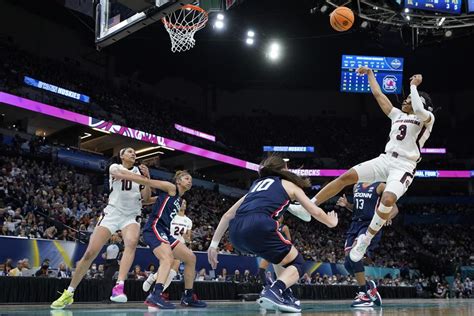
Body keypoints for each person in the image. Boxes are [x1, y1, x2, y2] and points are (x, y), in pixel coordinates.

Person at [290, 69, 435, 263]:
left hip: (404, 166)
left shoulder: (427, 119)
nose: (406, 100)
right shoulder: (397, 115)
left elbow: (418, 108)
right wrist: (370, 75)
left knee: (389, 197)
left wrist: (413, 87)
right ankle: (308, 206)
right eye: (408, 97)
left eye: (410, 98)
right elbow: (378, 95)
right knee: (346, 177)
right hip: (385, 159)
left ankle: (365, 240)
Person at [207, 156, 338, 313]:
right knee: (298, 263)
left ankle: (285, 294)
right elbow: (314, 211)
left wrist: (213, 246)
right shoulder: (288, 184)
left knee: (276, 256)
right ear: (283, 170)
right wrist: (331, 222)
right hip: (259, 225)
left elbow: (228, 215)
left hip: (236, 234)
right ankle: (275, 290)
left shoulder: (255, 187)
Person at [51, 148, 151, 309]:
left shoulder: (140, 172)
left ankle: (119, 286)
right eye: (130, 152)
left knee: (131, 243)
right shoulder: (115, 167)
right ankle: (69, 292)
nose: (134, 154)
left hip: (131, 215)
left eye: (135, 152)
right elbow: (123, 176)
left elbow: (146, 198)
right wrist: (142, 177)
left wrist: (147, 178)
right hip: (112, 213)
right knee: (90, 253)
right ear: (121, 156)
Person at [141, 171, 206, 309]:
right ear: (178, 181)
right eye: (186, 178)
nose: (190, 181)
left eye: (191, 179)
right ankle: (155, 295)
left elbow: (147, 200)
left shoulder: (179, 199)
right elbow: (147, 186)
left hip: (166, 232)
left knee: (191, 258)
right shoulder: (171, 188)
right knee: (167, 259)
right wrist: (122, 173)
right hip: (154, 227)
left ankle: (188, 297)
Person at [336, 182, 398, 307]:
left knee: (355, 254)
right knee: (348, 263)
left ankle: (364, 294)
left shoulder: (380, 186)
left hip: (370, 225)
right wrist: (347, 204)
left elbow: (395, 209)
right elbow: (357, 208)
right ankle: (369, 286)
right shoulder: (356, 186)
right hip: (355, 225)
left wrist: (386, 217)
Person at [142, 199, 192, 294]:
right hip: (167, 242)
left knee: (172, 271)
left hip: (179, 245)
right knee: (170, 266)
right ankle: (155, 290)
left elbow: (188, 238)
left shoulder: (188, 221)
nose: (183, 204)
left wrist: (187, 238)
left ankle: (154, 284)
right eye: (181, 202)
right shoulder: (172, 216)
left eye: (185, 203)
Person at [258, 216, 291, 286]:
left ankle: (285, 292)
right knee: (261, 270)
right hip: (269, 250)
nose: (279, 217)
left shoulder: (284, 227)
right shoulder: (271, 226)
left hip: (279, 252)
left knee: (281, 276)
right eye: (278, 216)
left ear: (282, 218)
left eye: (281, 216)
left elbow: (289, 240)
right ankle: (265, 287)